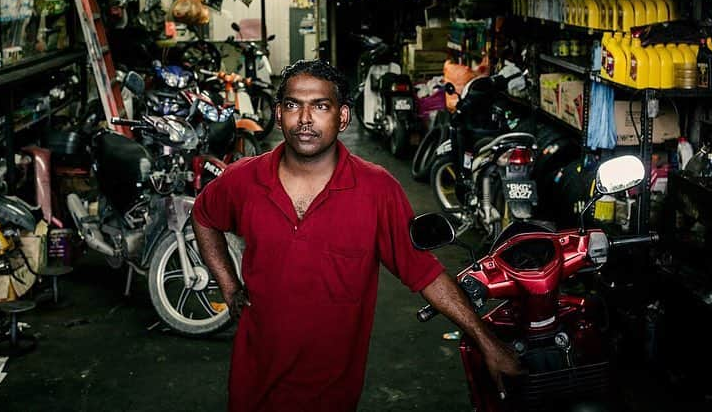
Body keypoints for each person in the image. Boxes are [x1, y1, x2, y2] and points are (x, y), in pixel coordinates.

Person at [192, 59, 523, 411]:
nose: (305, 119)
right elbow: (204, 216)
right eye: (293, 105)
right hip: (252, 389)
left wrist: (487, 341)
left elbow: (424, 272)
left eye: (320, 106)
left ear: (343, 117)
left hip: (331, 394)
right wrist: (229, 287)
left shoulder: (377, 189)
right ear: (278, 114)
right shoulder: (244, 180)